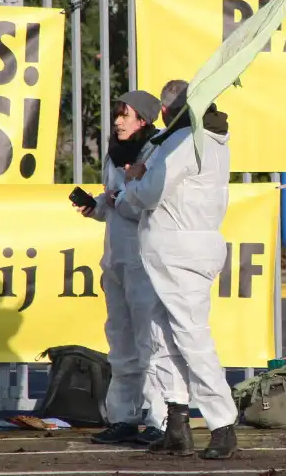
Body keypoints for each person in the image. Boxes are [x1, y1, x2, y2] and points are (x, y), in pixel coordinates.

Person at [116, 79, 239, 460]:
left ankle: (222, 424)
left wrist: (132, 185)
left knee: (189, 337)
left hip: (179, 250)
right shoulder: (204, 141)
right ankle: (177, 424)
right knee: (164, 336)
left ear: (172, 111)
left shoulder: (185, 141)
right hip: (176, 250)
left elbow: (151, 193)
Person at [75, 89, 168, 446]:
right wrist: (95, 205)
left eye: (124, 115)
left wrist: (117, 199)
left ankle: (160, 418)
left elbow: (145, 203)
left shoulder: (156, 152)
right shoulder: (117, 156)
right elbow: (111, 202)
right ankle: (124, 416)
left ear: (143, 119)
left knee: (152, 341)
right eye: (117, 114)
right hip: (116, 259)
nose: (117, 121)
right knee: (121, 341)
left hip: (144, 259)